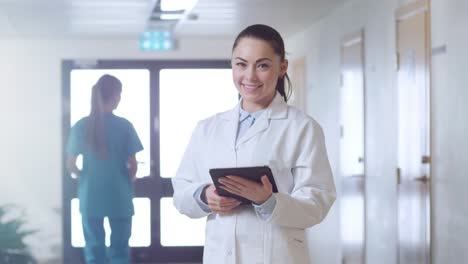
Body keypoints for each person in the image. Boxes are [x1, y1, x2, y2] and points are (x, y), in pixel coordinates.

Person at [172, 24, 336, 264]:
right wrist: (205, 196)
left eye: (262, 65)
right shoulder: (207, 129)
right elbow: (181, 191)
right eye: (241, 64)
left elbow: (317, 202)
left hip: (277, 255)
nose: (249, 76)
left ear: (282, 68)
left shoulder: (302, 128)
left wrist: (268, 202)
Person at [66, 74, 143, 264]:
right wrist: (125, 179)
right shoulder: (124, 126)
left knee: (94, 249)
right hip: (119, 195)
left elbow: (71, 164)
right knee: (119, 250)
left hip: (91, 195)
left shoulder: (81, 125)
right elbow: (133, 166)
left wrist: (85, 177)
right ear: (116, 95)